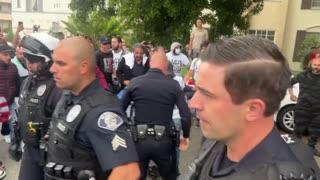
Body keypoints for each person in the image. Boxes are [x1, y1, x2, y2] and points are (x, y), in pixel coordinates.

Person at [180, 36, 320, 180]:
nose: (192, 103)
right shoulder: (217, 140)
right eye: (197, 90)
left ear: (253, 109)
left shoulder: (284, 173)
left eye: (207, 94)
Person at [47, 36, 140, 180]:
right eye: (54, 62)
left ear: (83, 67)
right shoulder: (69, 95)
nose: (52, 69)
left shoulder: (101, 111)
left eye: (61, 63)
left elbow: (128, 172)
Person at [122, 49, 191, 180]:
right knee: (170, 176)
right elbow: (185, 115)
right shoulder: (173, 85)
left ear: (149, 64)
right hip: (164, 141)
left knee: (137, 176)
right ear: (165, 65)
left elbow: (119, 111)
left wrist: (124, 132)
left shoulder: (135, 82)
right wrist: (186, 135)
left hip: (139, 140)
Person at [15, 33, 62, 180]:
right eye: (27, 58)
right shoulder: (28, 82)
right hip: (30, 150)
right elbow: (22, 112)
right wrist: (17, 141)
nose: (29, 63)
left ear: (48, 59)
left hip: (52, 155)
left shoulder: (59, 88)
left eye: (34, 59)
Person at [289, 57, 320, 156]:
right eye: (315, 65)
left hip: (318, 109)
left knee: (315, 130)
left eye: (319, 65)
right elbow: (289, 83)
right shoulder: (303, 75)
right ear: (311, 65)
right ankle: (294, 148)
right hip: (302, 107)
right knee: (299, 129)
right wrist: (291, 94)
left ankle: (311, 147)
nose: (317, 67)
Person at [0, 43, 19, 144]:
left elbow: (17, 82)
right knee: (4, 120)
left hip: (11, 101)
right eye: (5, 54)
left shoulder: (13, 67)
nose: (8, 57)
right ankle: (6, 133)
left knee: (14, 122)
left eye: (9, 54)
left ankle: (15, 143)